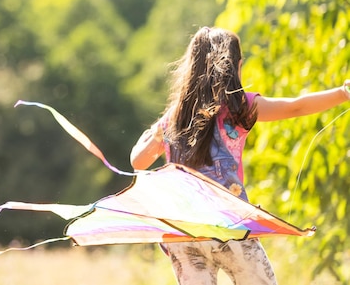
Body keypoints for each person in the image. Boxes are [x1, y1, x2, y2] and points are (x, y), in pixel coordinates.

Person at [129, 26, 350, 285]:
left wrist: (155, 132)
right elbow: (296, 106)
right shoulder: (238, 108)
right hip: (229, 226)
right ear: (237, 67)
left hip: (184, 234)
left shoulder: (175, 117)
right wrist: (343, 93)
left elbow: (138, 162)